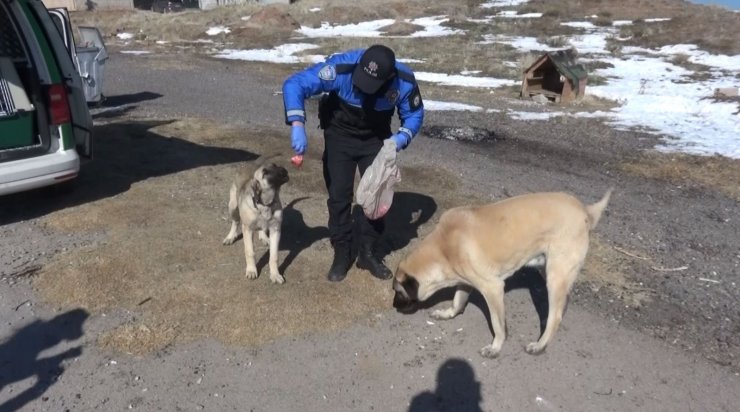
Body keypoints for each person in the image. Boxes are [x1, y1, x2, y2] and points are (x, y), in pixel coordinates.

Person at [282, 44, 424, 282]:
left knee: (376, 195)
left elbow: (415, 114)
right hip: (340, 135)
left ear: (389, 78)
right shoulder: (342, 67)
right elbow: (295, 84)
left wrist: (401, 138)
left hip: (375, 137)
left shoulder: (404, 81)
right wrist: (297, 124)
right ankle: (342, 251)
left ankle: (367, 252)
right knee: (339, 195)